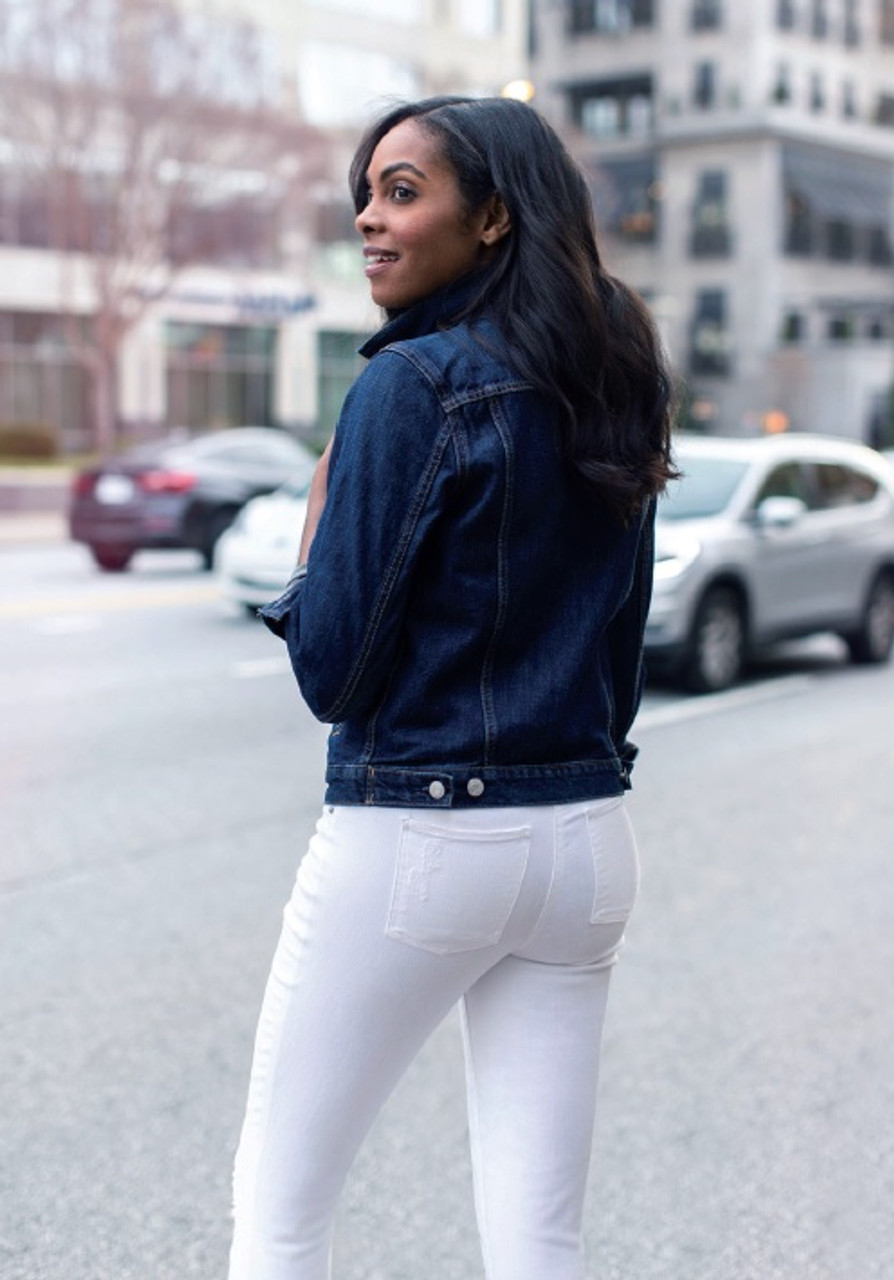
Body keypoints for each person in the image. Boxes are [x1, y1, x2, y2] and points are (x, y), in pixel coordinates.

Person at [228, 94, 675, 1280]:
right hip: (585, 841)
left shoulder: (409, 384)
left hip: (419, 836)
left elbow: (333, 672)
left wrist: (321, 526)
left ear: (491, 219)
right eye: (365, 195)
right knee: (539, 1238)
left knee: (280, 1219)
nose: (370, 220)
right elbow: (618, 652)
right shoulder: (614, 372)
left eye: (402, 191)